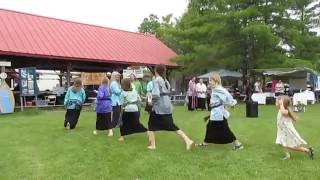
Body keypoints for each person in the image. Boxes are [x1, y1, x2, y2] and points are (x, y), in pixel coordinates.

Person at [147, 64, 194, 150]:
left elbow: (156, 95)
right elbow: (168, 91)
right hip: (167, 104)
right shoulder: (165, 81)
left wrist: (149, 99)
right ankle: (152, 144)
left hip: (159, 106)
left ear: (155, 71)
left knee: (160, 125)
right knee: (153, 124)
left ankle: (187, 140)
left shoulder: (156, 80)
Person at [196, 73, 243, 150]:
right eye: (209, 80)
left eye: (211, 80)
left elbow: (227, 95)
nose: (209, 82)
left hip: (218, 114)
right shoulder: (215, 88)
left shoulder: (218, 89)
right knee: (209, 127)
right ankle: (205, 143)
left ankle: (238, 144)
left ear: (216, 81)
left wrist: (232, 103)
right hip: (216, 113)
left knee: (225, 129)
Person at [275, 96, 314, 160]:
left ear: (283, 103)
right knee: (282, 143)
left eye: (278, 101)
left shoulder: (285, 111)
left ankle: (307, 150)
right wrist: (280, 103)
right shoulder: (281, 110)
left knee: (290, 145)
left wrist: (281, 103)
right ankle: (288, 156)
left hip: (287, 132)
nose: (276, 102)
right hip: (282, 131)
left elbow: (283, 112)